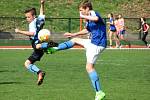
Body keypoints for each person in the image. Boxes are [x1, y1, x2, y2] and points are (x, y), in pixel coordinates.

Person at [47, 1, 106, 99]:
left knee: (89, 67)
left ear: (87, 8)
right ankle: (54, 48)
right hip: (93, 42)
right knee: (74, 40)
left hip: (97, 44)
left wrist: (84, 16)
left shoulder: (93, 13)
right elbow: (87, 30)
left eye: (81, 10)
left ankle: (99, 92)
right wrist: (73, 34)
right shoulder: (88, 19)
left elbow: (96, 18)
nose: (80, 13)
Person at [15, 0, 48, 85]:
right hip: (41, 43)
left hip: (37, 44)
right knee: (28, 62)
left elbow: (32, 33)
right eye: (26, 17)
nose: (27, 19)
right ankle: (40, 72)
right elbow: (42, 13)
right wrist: (42, 4)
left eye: (28, 17)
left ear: (33, 16)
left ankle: (40, 72)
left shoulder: (32, 24)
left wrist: (19, 31)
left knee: (27, 63)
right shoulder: (39, 19)